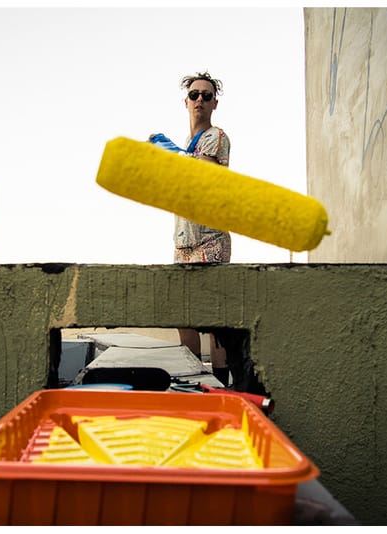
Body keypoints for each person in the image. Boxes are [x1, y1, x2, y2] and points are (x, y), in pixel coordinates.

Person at [170, 71, 233, 386]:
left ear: (215, 103)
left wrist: (171, 161)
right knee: (185, 317)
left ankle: (221, 384)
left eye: (206, 96)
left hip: (210, 240)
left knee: (213, 318)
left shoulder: (215, 137)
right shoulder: (186, 145)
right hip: (185, 241)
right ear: (186, 102)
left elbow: (203, 174)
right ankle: (193, 381)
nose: (200, 100)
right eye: (195, 95)